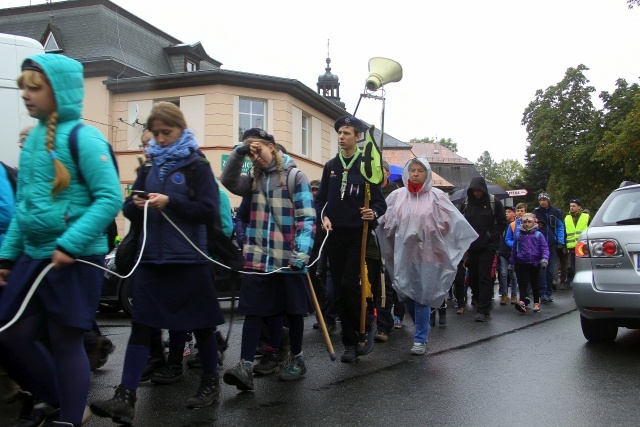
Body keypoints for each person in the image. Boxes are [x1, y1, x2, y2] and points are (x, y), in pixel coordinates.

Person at [0, 54, 122, 427]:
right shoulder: (35, 139)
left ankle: (68, 418)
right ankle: (57, 399)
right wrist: (7, 258)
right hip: (34, 257)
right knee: (9, 335)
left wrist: (70, 244)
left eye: (34, 87)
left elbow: (109, 198)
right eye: (22, 86)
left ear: (60, 90)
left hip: (74, 259)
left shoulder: (84, 137)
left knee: (65, 341)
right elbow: (24, 209)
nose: (25, 94)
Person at [90, 102, 224, 423]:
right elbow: (128, 206)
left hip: (188, 259)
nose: (160, 138)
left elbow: (208, 210)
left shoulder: (197, 166)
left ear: (181, 129)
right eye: (156, 133)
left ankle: (209, 382)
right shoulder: (149, 167)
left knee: (202, 325)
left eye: (168, 132)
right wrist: (136, 204)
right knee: (142, 324)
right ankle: (125, 396)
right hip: (152, 259)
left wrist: (171, 201)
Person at [220, 127, 315, 389]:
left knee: (293, 312)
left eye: (258, 149)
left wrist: (301, 253)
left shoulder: (296, 176)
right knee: (254, 311)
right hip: (258, 258)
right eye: (251, 153)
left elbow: (307, 218)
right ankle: (245, 366)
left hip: (289, 258)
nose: (256, 157)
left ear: (272, 147)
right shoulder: (253, 180)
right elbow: (227, 180)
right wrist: (240, 151)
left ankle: (297, 358)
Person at [378, 158, 477, 354]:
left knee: (422, 297)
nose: (415, 174)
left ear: (427, 174)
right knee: (405, 294)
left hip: (429, 255)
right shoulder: (396, 197)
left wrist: (431, 231)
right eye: (412, 170)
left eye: (420, 170)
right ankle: (422, 328)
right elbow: (383, 221)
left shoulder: (437, 197)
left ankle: (420, 339)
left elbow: (451, 223)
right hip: (403, 255)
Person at [314, 115, 387, 363]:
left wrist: (373, 212)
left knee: (348, 284)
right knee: (338, 291)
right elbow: (320, 201)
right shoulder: (330, 166)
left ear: (358, 137)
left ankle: (363, 328)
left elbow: (380, 202)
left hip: (358, 235)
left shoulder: (366, 166)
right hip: (334, 236)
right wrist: (323, 217)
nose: (341, 136)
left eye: (347, 133)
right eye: (340, 132)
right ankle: (349, 342)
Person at [457, 176, 508, 322]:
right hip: (471, 246)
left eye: (479, 191)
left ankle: (483, 309)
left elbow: (502, 223)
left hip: (488, 246)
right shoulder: (467, 203)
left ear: (483, 190)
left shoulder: (494, 202)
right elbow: (462, 222)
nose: (476, 193)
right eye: (474, 191)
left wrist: (490, 235)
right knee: (473, 278)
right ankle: (480, 301)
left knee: (485, 277)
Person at [374, 161, 400, 342]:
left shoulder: (397, 194)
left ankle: (389, 321)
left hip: (393, 244)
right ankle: (381, 323)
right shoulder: (368, 191)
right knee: (378, 285)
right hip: (372, 243)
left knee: (390, 285)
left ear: (387, 174)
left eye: (380, 171)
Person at [510, 213, 549, 313]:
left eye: (529, 222)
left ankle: (536, 302)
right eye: (525, 222)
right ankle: (522, 301)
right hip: (522, 262)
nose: (527, 224)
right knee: (522, 283)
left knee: (535, 283)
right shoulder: (519, 235)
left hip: (535, 263)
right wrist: (512, 262)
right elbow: (514, 249)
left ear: (533, 222)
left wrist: (544, 259)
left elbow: (544, 248)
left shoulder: (538, 235)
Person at [532, 192, 565, 302]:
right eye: (540, 200)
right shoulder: (536, 212)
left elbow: (560, 226)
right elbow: (531, 227)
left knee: (551, 270)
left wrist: (560, 241)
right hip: (540, 245)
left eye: (544, 200)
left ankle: (549, 293)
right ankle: (543, 293)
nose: (542, 202)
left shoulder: (555, 211)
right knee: (543, 269)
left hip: (552, 244)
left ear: (548, 200)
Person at [564, 198, 589, 287]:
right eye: (570, 206)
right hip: (571, 248)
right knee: (574, 268)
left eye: (574, 206)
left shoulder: (586, 217)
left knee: (584, 267)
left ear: (579, 207)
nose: (571, 208)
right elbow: (565, 232)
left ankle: (585, 285)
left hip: (584, 247)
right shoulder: (567, 218)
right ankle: (577, 286)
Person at [498, 206, 519, 305]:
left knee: (513, 274)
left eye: (509, 212)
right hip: (503, 252)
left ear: (514, 214)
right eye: (505, 212)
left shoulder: (516, 225)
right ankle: (504, 294)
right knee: (503, 274)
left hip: (513, 253)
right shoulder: (502, 224)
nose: (506, 213)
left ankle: (514, 295)